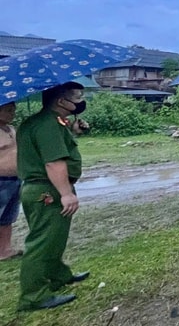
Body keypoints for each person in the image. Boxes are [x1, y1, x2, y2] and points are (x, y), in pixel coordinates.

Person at [17, 82, 91, 311]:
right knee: (42, 243)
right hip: (47, 190)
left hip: (44, 189)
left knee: (54, 239)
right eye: (76, 98)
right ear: (61, 101)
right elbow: (53, 162)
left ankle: (59, 276)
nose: (80, 102)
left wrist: (74, 132)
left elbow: (55, 148)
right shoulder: (47, 125)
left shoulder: (49, 122)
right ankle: (33, 297)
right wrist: (66, 194)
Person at [0, 102, 22, 261]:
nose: (12, 113)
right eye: (8, 110)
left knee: (9, 216)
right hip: (1, 180)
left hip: (15, 179)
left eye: (13, 110)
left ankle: (5, 249)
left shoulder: (12, 129)